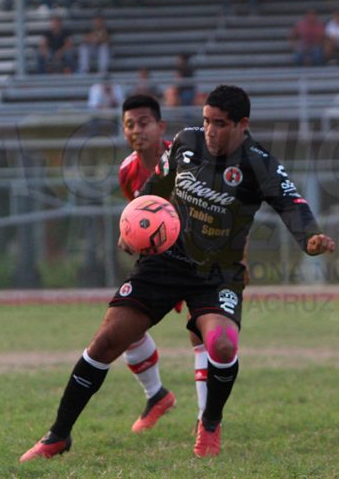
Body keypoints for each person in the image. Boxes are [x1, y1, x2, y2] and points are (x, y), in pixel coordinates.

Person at [20, 85, 336, 462]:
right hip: (165, 262)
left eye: (219, 124)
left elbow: (291, 202)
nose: (210, 131)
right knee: (106, 341)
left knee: (221, 344)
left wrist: (311, 236)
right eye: (206, 121)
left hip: (217, 273)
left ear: (242, 125)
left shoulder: (260, 162)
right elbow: (156, 186)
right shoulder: (187, 143)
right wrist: (133, 224)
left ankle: (210, 422)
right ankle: (58, 435)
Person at [116, 94, 252, 434]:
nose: (137, 131)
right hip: (161, 262)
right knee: (124, 330)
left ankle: (204, 420)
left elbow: (227, 211)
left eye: (144, 123)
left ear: (160, 126)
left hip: (201, 261)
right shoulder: (127, 171)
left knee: (200, 335)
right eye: (129, 125)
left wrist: (241, 256)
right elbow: (140, 218)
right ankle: (156, 395)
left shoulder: (186, 155)